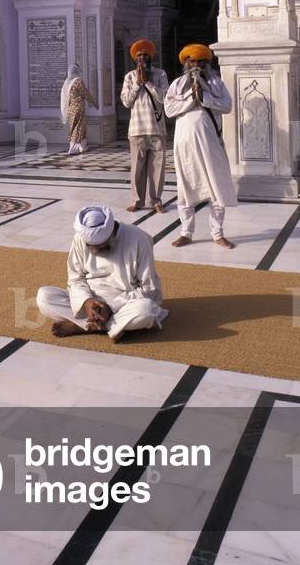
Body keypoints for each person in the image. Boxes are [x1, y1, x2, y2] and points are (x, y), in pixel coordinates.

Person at [36, 205, 168, 342]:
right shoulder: (80, 239)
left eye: (100, 245)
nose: (94, 249)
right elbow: (76, 278)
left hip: (125, 303)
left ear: (111, 233)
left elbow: (150, 289)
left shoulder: (139, 239)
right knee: (44, 297)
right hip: (91, 302)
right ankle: (112, 326)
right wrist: (86, 302)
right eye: (89, 245)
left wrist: (111, 307)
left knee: (146, 310)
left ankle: (85, 326)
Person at [164, 43, 237, 250]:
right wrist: (191, 97)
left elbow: (227, 105)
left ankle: (218, 233)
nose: (196, 65)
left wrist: (204, 95)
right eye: (192, 61)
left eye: (200, 61)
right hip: (185, 145)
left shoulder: (215, 83)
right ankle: (186, 232)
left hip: (210, 144)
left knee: (216, 187)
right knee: (185, 188)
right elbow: (169, 109)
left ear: (206, 63)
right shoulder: (177, 84)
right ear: (186, 63)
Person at [120, 39, 169, 213]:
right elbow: (126, 102)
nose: (142, 58)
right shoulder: (129, 77)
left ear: (150, 56)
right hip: (137, 129)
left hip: (157, 129)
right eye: (139, 55)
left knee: (157, 167)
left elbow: (164, 98)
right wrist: (138, 84)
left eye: (145, 54)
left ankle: (155, 200)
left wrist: (148, 82)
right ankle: (137, 200)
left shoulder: (160, 75)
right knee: (137, 168)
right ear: (135, 58)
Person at [60, 63, 98, 154]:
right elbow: (86, 93)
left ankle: (82, 146)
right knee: (77, 127)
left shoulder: (67, 82)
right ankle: (72, 148)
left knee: (79, 127)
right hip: (78, 109)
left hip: (70, 109)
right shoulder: (78, 81)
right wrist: (94, 103)